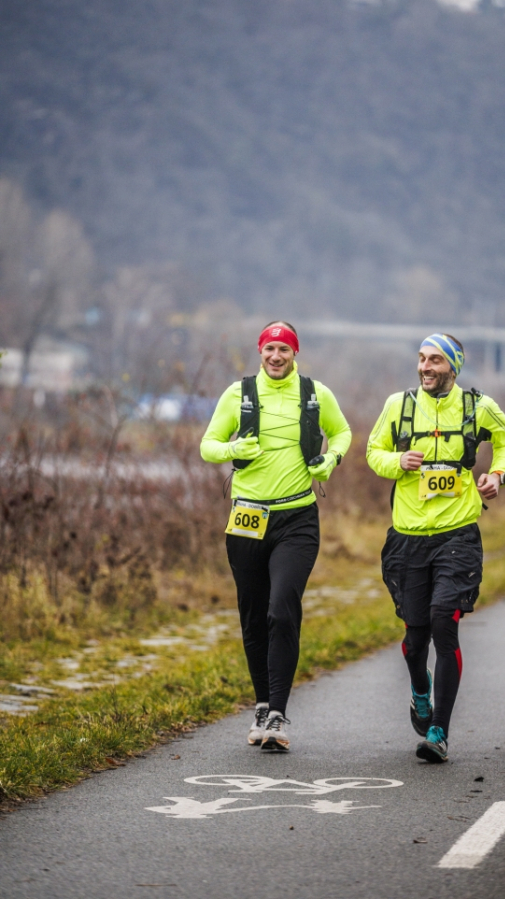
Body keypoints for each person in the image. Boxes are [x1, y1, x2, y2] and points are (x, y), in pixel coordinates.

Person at [366, 333, 505, 763]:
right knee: (416, 640)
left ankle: (439, 732)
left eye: (435, 360)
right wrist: (397, 462)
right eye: (421, 359)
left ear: (453, 366)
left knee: (443, 622)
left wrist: (498, 474)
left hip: (457, 535)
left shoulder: (477, 407)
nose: (425, 367)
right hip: (408, 538)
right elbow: (372, 451)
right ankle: (420, 690)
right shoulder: (398, 405)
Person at [200, 321, 351, 752]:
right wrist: (232, 450)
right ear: (260, 352)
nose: (276, 356)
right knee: (253, 616)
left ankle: (279, 716)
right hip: (247, 518)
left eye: (284, 349)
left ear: (294, 353)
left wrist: (330, 460)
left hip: (297, 519)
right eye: (270, 349)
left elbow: (342, 432)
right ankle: (262, 706)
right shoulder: (239, 394)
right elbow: (208, 445)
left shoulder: (315, 394)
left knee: (282, 609)